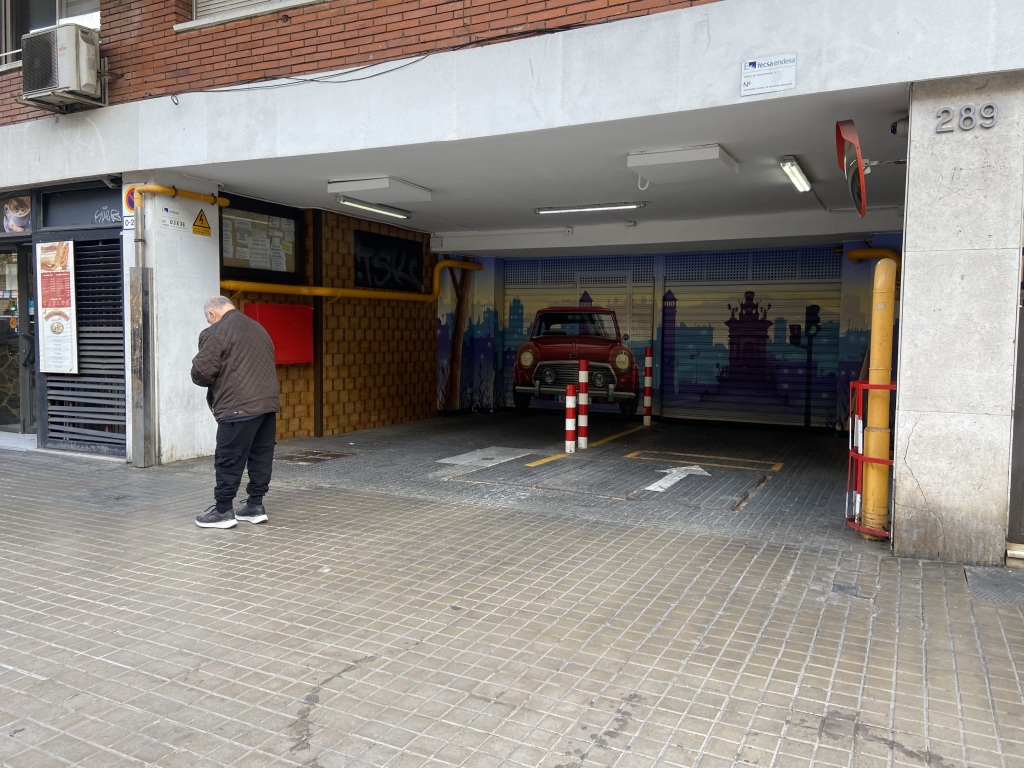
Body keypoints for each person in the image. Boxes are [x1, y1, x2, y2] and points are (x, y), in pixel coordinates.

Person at [191, 295, 280, 529]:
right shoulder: (258, 328)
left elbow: (201, 373)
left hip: (237, 407)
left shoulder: (216, 332)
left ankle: (223, 511)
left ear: (212, 314)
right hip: (267, 405)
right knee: (260, 456)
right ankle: (255, 506)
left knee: (228, 458)